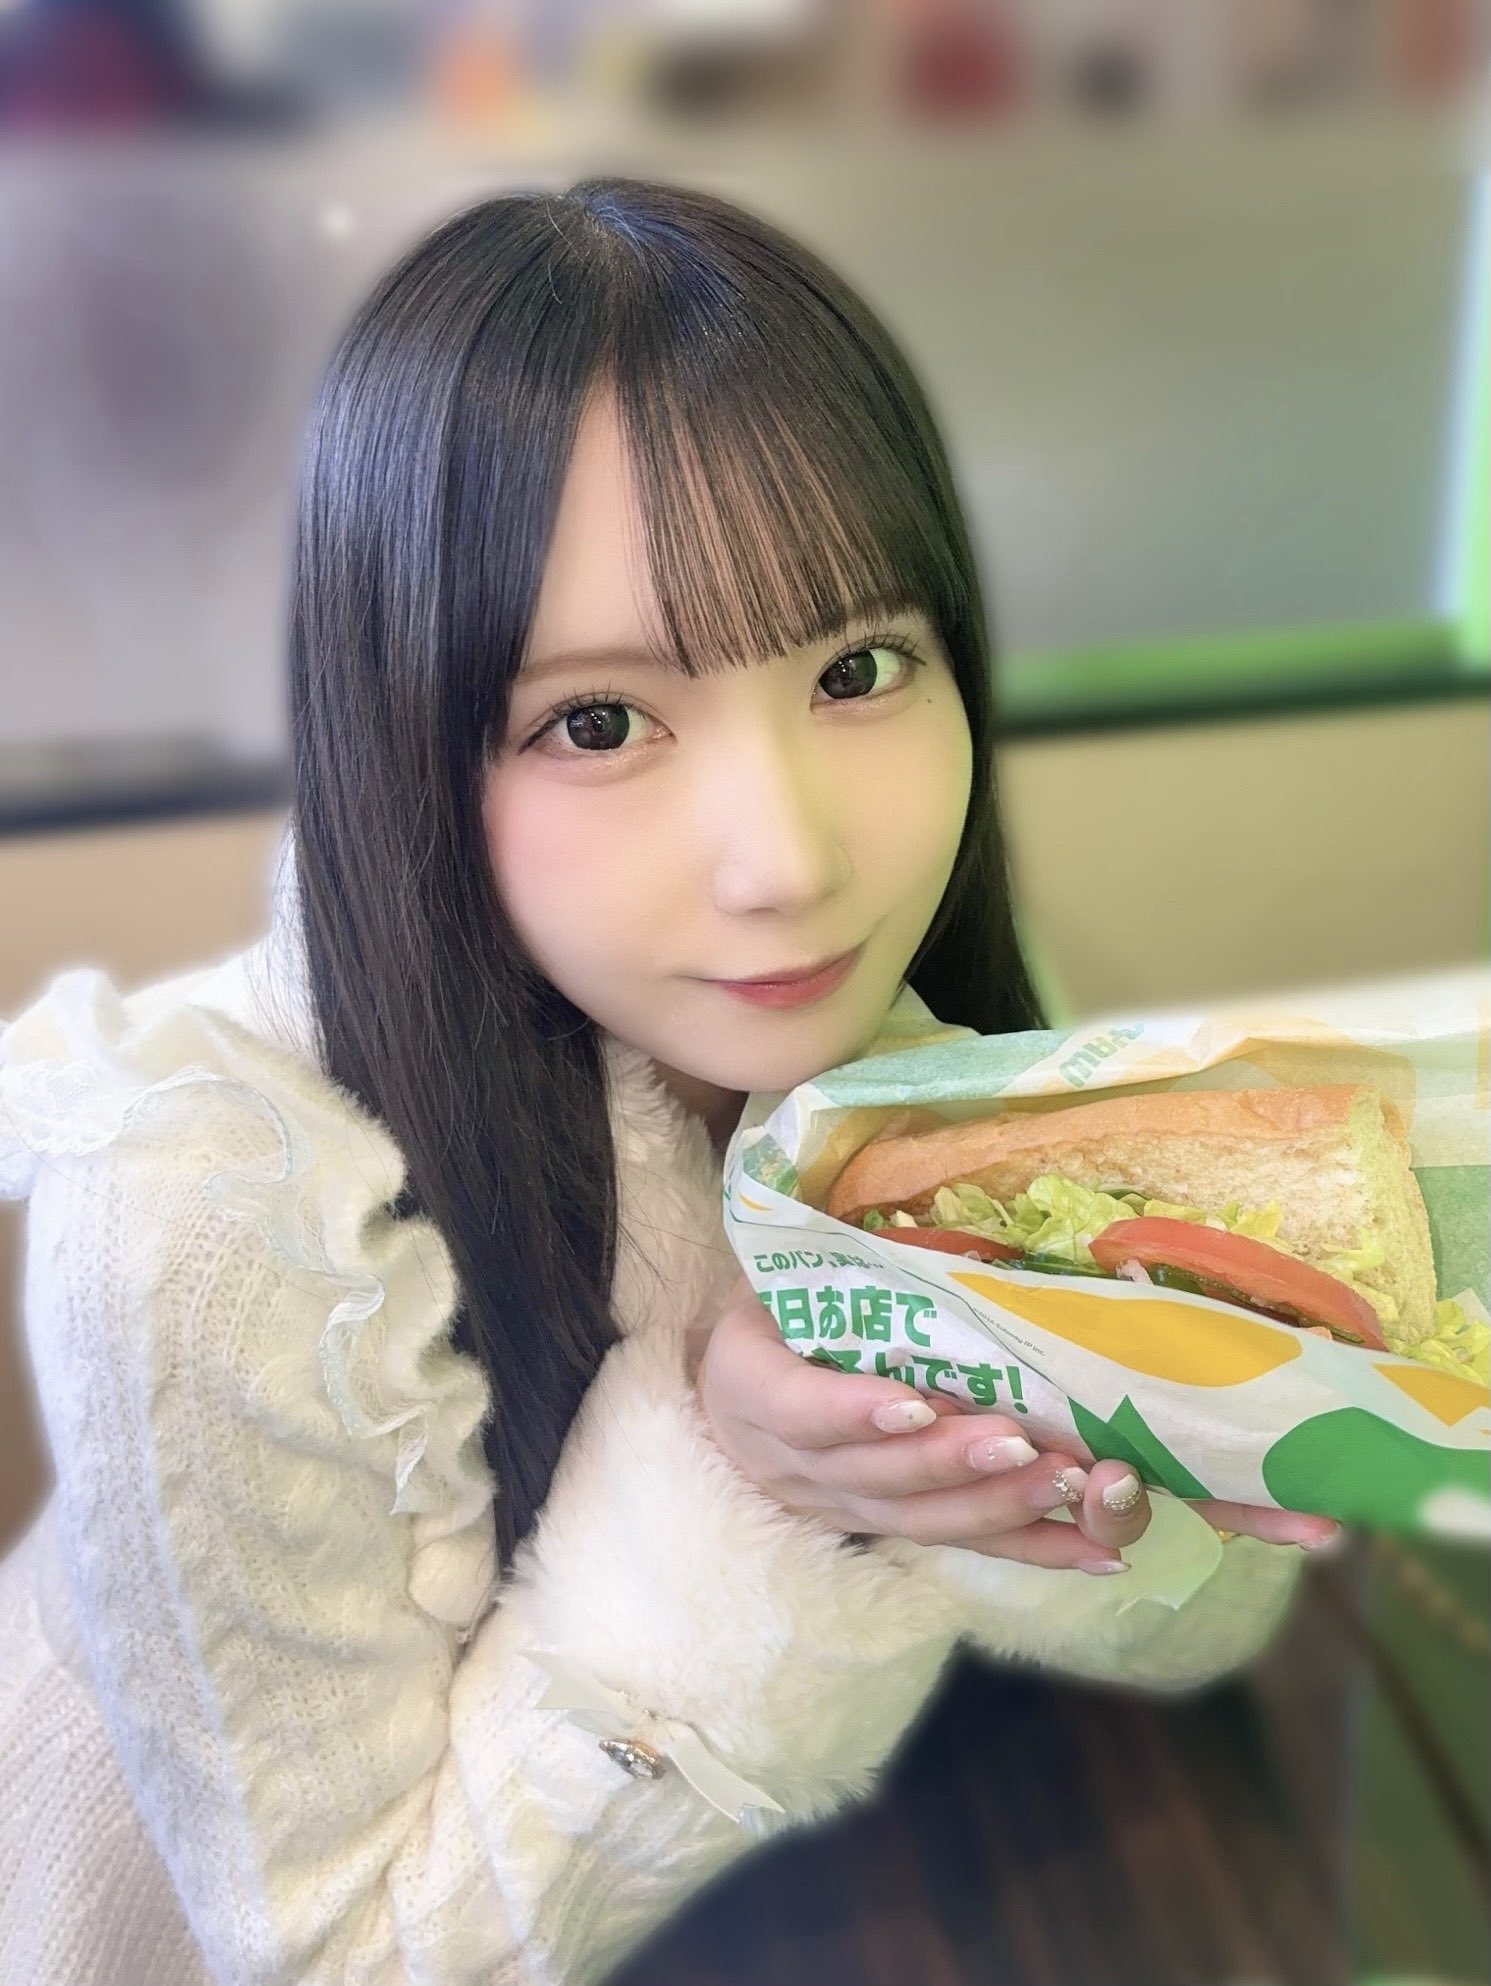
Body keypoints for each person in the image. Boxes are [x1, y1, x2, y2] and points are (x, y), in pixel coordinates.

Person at [0, 177, 1340, 1986]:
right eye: (600, 720)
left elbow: (1205, 1615)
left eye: (858, 666)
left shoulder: (889, 1054)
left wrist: (1110, 1440)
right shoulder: (217, 1216)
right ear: (405, 736)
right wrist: (746, 1471)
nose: (792, 861)